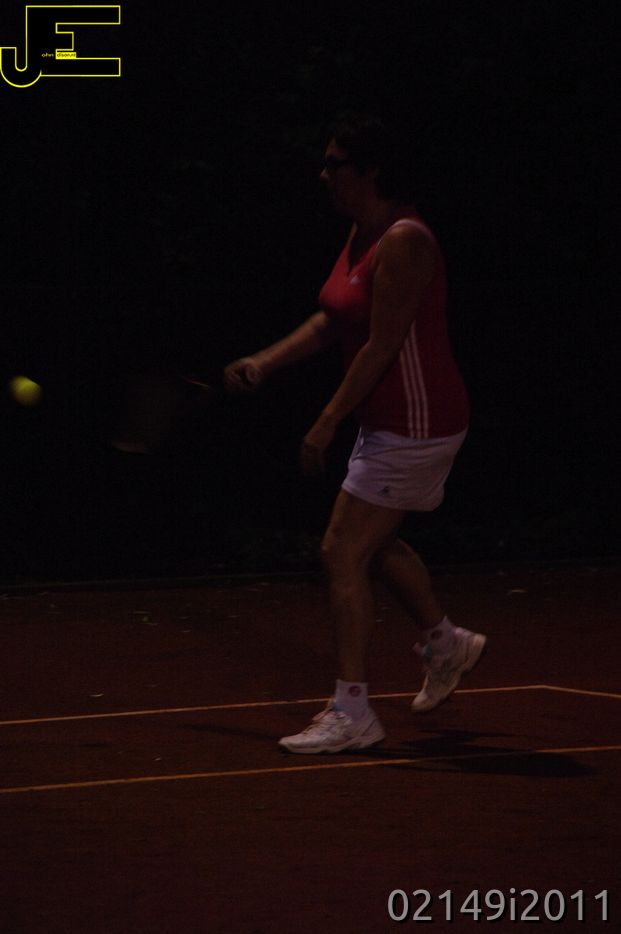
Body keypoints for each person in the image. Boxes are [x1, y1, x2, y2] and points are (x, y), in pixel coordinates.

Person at [224, 114, 486, 754]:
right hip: (389, 420)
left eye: (335, 163)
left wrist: (324, 423)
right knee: (375, 542)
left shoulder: (405, 241)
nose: (324, 174)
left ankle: (353, 712)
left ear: (371, 170)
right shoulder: (363, 232)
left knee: (342, 550)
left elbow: (381, 345)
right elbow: (332, 320)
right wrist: (264, 361)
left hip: (418, 422)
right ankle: (446, 642)